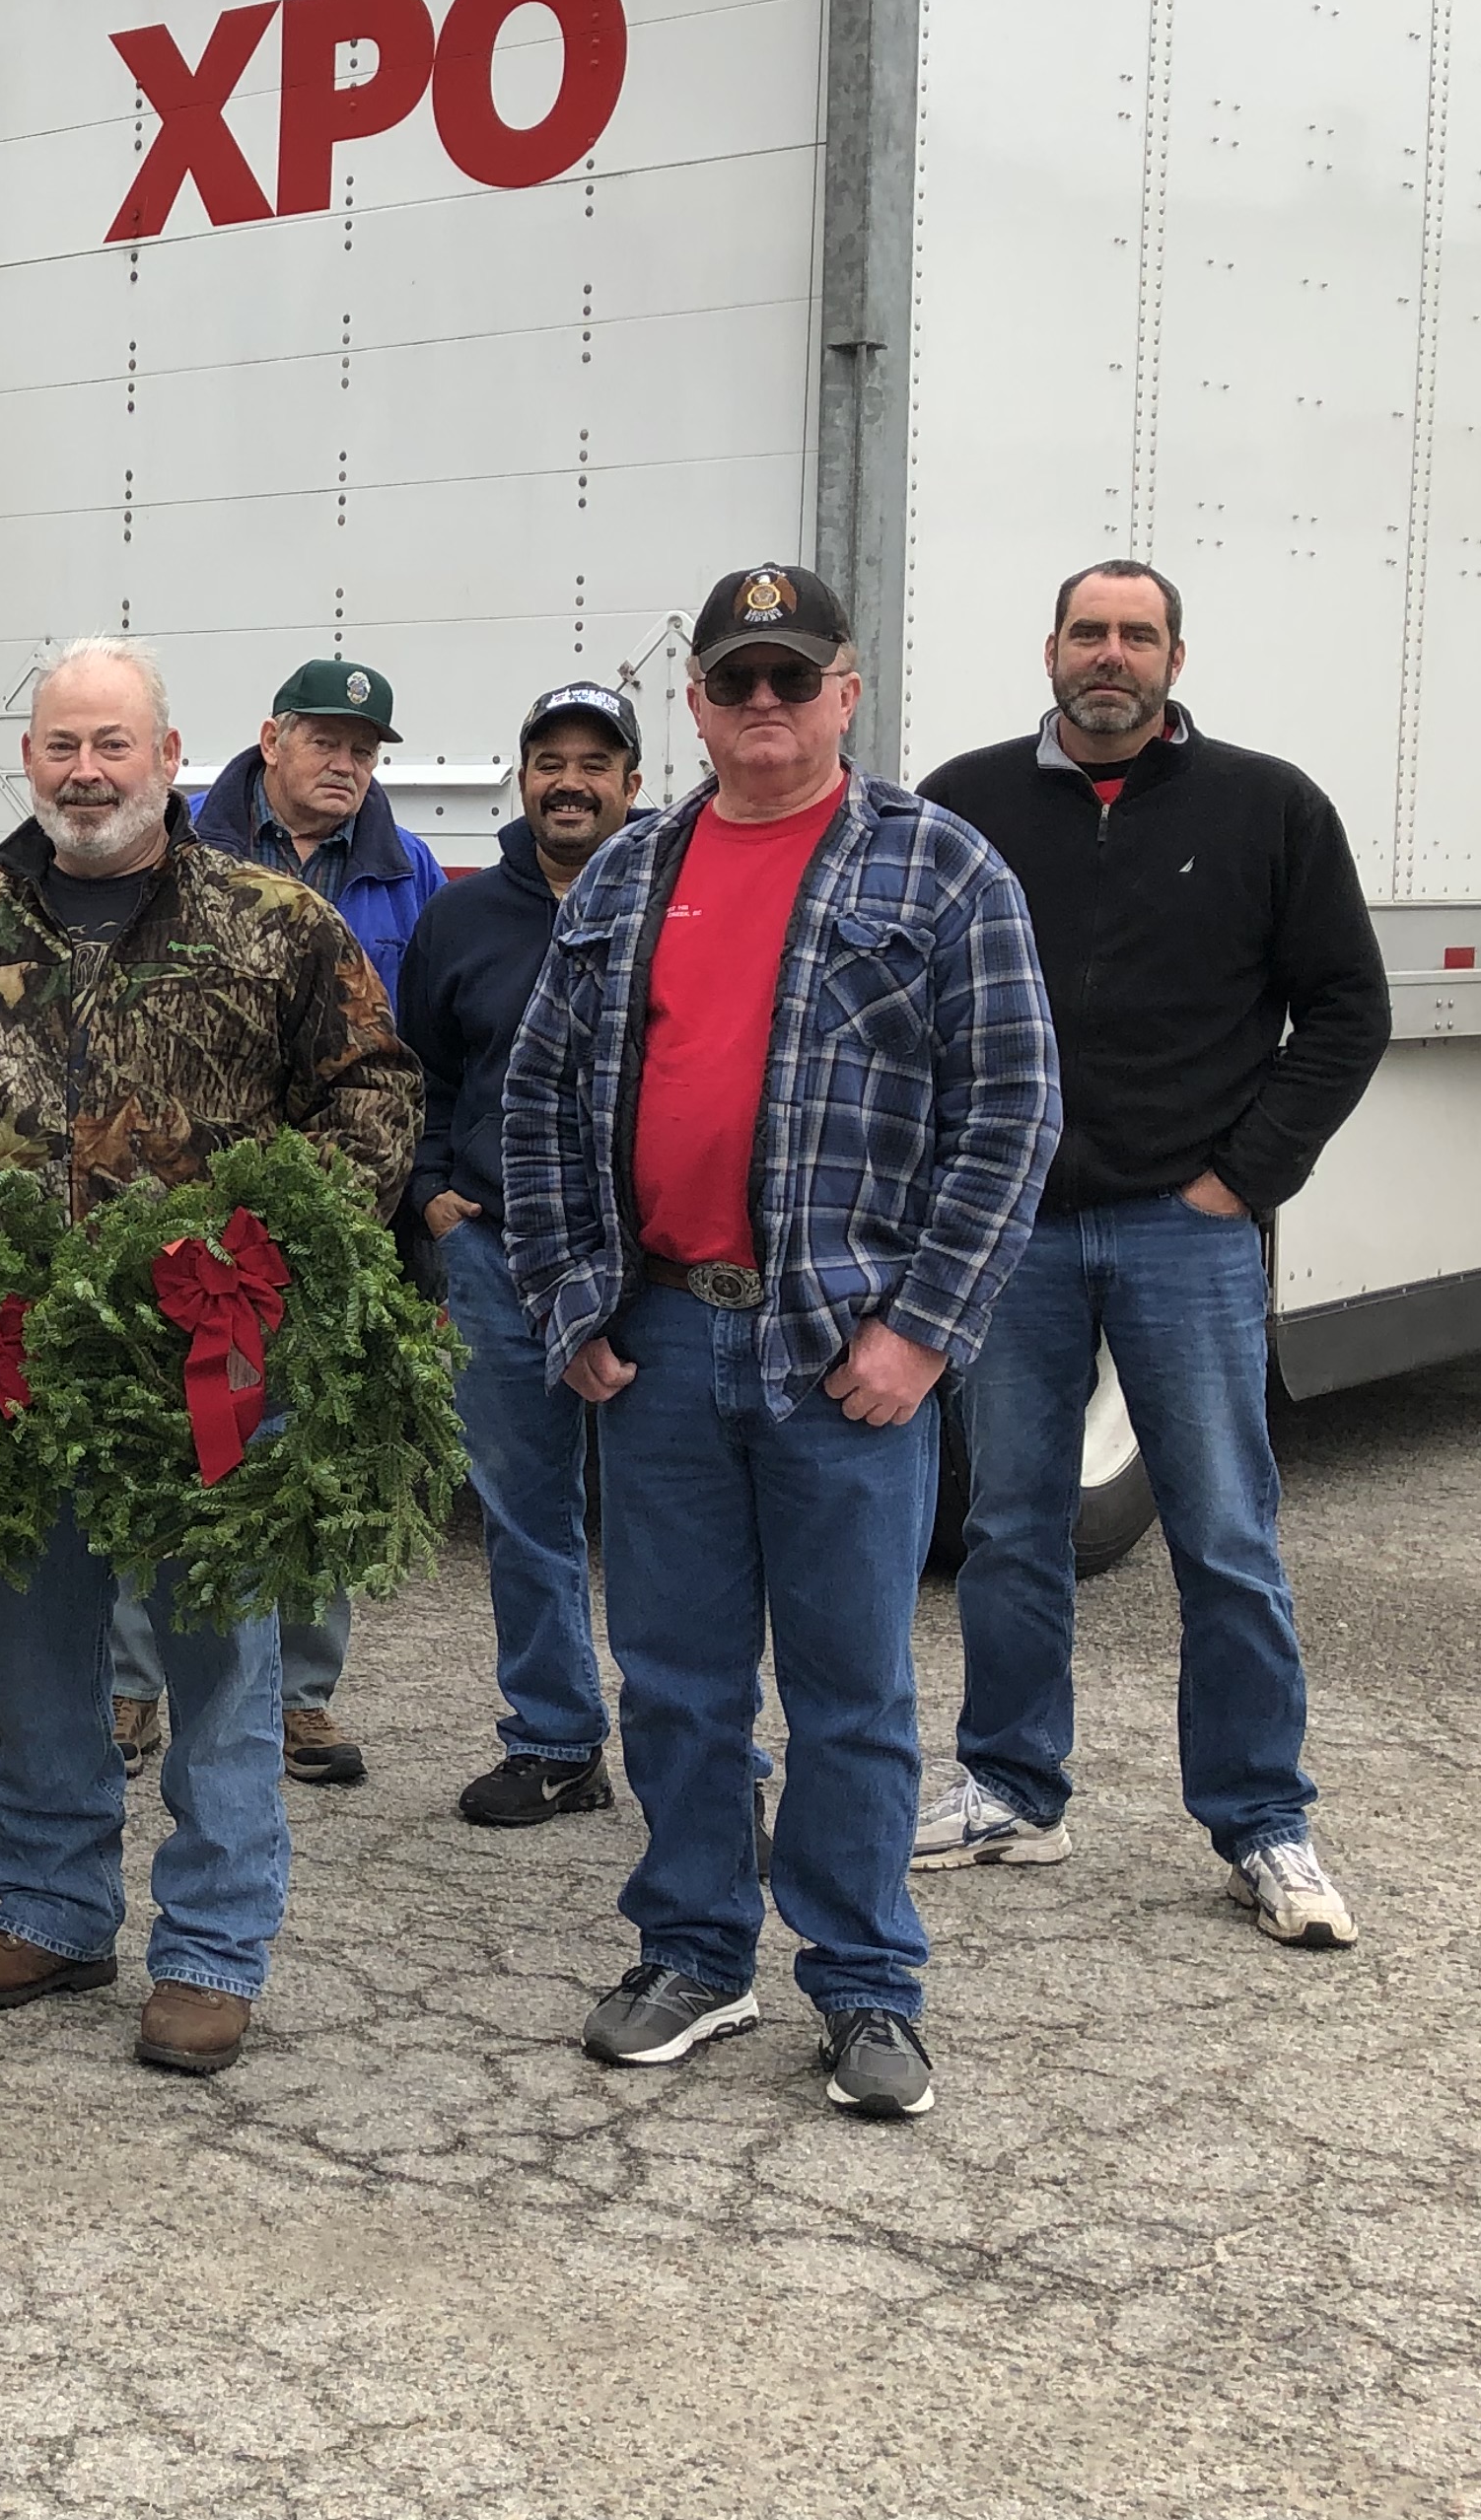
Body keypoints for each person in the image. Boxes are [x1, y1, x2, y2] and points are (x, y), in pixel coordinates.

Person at [505, 564, 1059, 2122]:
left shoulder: (940, 869)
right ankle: (694, 1952)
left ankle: (868, 1982)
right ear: (694, 701)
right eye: (734, 682)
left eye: (791, 681)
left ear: (847, 691)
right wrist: (570, 1301)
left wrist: (923, 1334)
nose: (763, 707)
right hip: (664, 1344)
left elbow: (1010, 1115)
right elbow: (542, 1104)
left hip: (841, 1360)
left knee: (851, 1694)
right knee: (675, 1683)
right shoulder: (625, 876)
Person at [0, 639, 419, 2079]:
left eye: (113, 745)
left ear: (173, 757)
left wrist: (280, 1245)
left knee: (222, 1659)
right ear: (24, 761)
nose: (84, 772)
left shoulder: (276, 924)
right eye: (59, 746)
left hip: (212, 1362)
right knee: (41, 1655)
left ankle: (212, 1950)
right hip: (22, 1367)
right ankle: (50, 1908)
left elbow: (373, 1093)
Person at [918, 562, 1386, 1944]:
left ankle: (1263, 1822)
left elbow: (1347, 1010)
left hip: (1185, 1235)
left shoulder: (1269, 807)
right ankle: (1012, 1787)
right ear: (1050, 649)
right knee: (1011, 1523)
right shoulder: (969, 802)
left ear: (1177, 654)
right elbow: (910, 994)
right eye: (1087, 632)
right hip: (1016, 1229)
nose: (1109, 656)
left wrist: (1237, 1183)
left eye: (1136, 634)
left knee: (1227, 1534)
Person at [182, 656, 443, 1789]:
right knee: (181, 1437)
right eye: (328, 741)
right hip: (196, 1209)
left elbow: (422, 1047)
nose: (348, 764)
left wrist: (407, 1191)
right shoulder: (188, 847)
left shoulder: (406, 871)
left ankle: (301, 1696)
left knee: (310, 1451)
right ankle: (143, 1685)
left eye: (366, 749)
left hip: (342, 1212)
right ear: (271, 739)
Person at [398, 682, 647, 1827]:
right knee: (524, 1507)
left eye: (596, 762)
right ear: (522, 778)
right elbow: (424, 1074)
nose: (570, 781)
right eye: (549, 760)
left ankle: (704, 1759)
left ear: (633, 786)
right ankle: (553, 1740)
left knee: (665, 1516)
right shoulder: (462, 916)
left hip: (651, 1264)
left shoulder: (673, 897)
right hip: (497, 1254)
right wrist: (435, 1193)